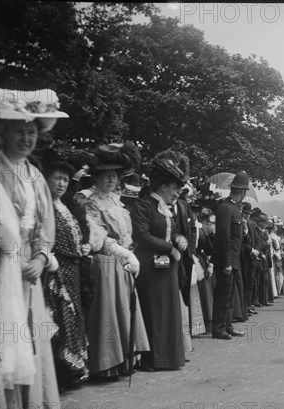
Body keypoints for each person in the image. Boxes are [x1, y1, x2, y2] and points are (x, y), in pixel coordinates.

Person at [0, 88, 66, 409]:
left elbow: (45, 226)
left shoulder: (36, 176)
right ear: (3, 132)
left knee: (33, 344)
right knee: (2, 344)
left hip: (31, 275)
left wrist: (41, 257)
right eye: (19, 130)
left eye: (32, 132)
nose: (26, 138)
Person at [84, 142, 150, 380]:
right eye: (106, 175)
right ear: (97, 176)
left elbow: (126, 233)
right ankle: (106, 363)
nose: (111, 180)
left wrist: (128, 251)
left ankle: (126, 358)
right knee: (108, 311)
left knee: (124, 308)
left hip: (123, 262)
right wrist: (122, 252)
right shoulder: (88, 200)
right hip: (104, 263)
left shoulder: (117, 201)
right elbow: (96, 234)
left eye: (115, 175)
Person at [130, 149, 189, 371]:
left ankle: (169, 357)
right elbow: (143, 235)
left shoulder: (166, 210)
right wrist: (170, 248)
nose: (177, 195)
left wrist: (178, 239)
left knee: (169, 312)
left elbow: (168, 232)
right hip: (149, 268)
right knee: (153, 311)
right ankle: (153, 359)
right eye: (175, 190)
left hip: (167, 268)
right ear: (163, 187)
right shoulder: (142, 206)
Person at [41, 148, 91, 389]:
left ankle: (73, 371)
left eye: (64, 179)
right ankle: (60, 375)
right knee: (59, 319)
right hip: (54, 272)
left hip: (73, 270)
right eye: (56, 178)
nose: (60, 183)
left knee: (73, 318)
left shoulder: (65, 205)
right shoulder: (43, 205)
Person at [211, 171, 249, 340]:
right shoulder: (226, 208)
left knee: (230, 295)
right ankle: (218, 328)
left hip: (234, 260)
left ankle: (227, 325)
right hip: (226, 260)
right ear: (242, 192)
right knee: (223, 295)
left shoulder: (234, 208)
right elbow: (223, 238)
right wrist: (226, 262)